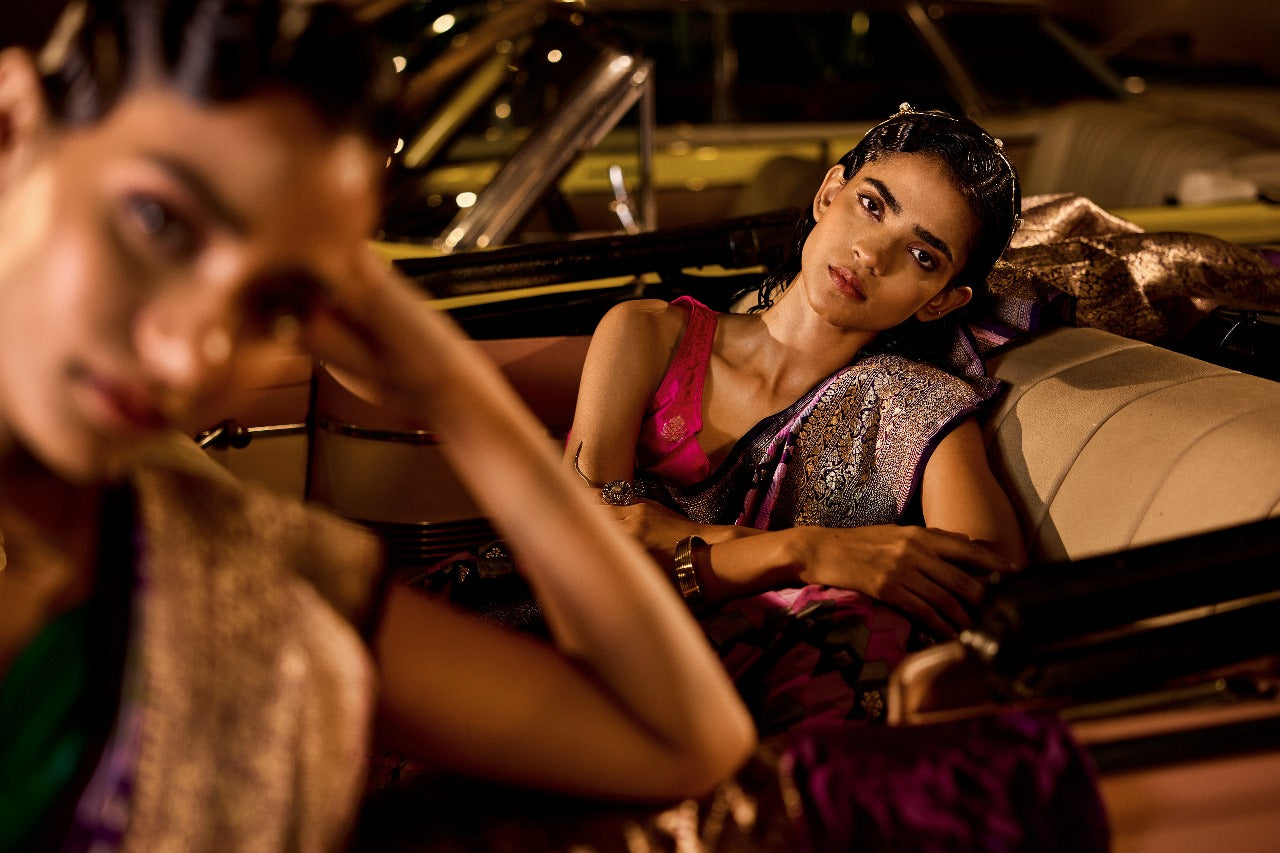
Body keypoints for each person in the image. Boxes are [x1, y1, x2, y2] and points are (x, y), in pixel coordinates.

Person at [0, 1, 756, 849]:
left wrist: (448, 385)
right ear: (10, 127)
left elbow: (680, 734)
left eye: (274, 304)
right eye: (157, 221)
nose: (191, 353)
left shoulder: (221, 577)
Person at [566, 105, 1028, 730]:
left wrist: (683, 540)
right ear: (829, 192)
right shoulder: (647, 335)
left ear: (942, 300)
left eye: (923, 256)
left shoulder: (912, 405)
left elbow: (989, 582)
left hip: (734, 695)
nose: (872, 254)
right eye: (872, 205)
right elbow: (579, 549)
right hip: (575, 645)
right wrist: (806, 551)